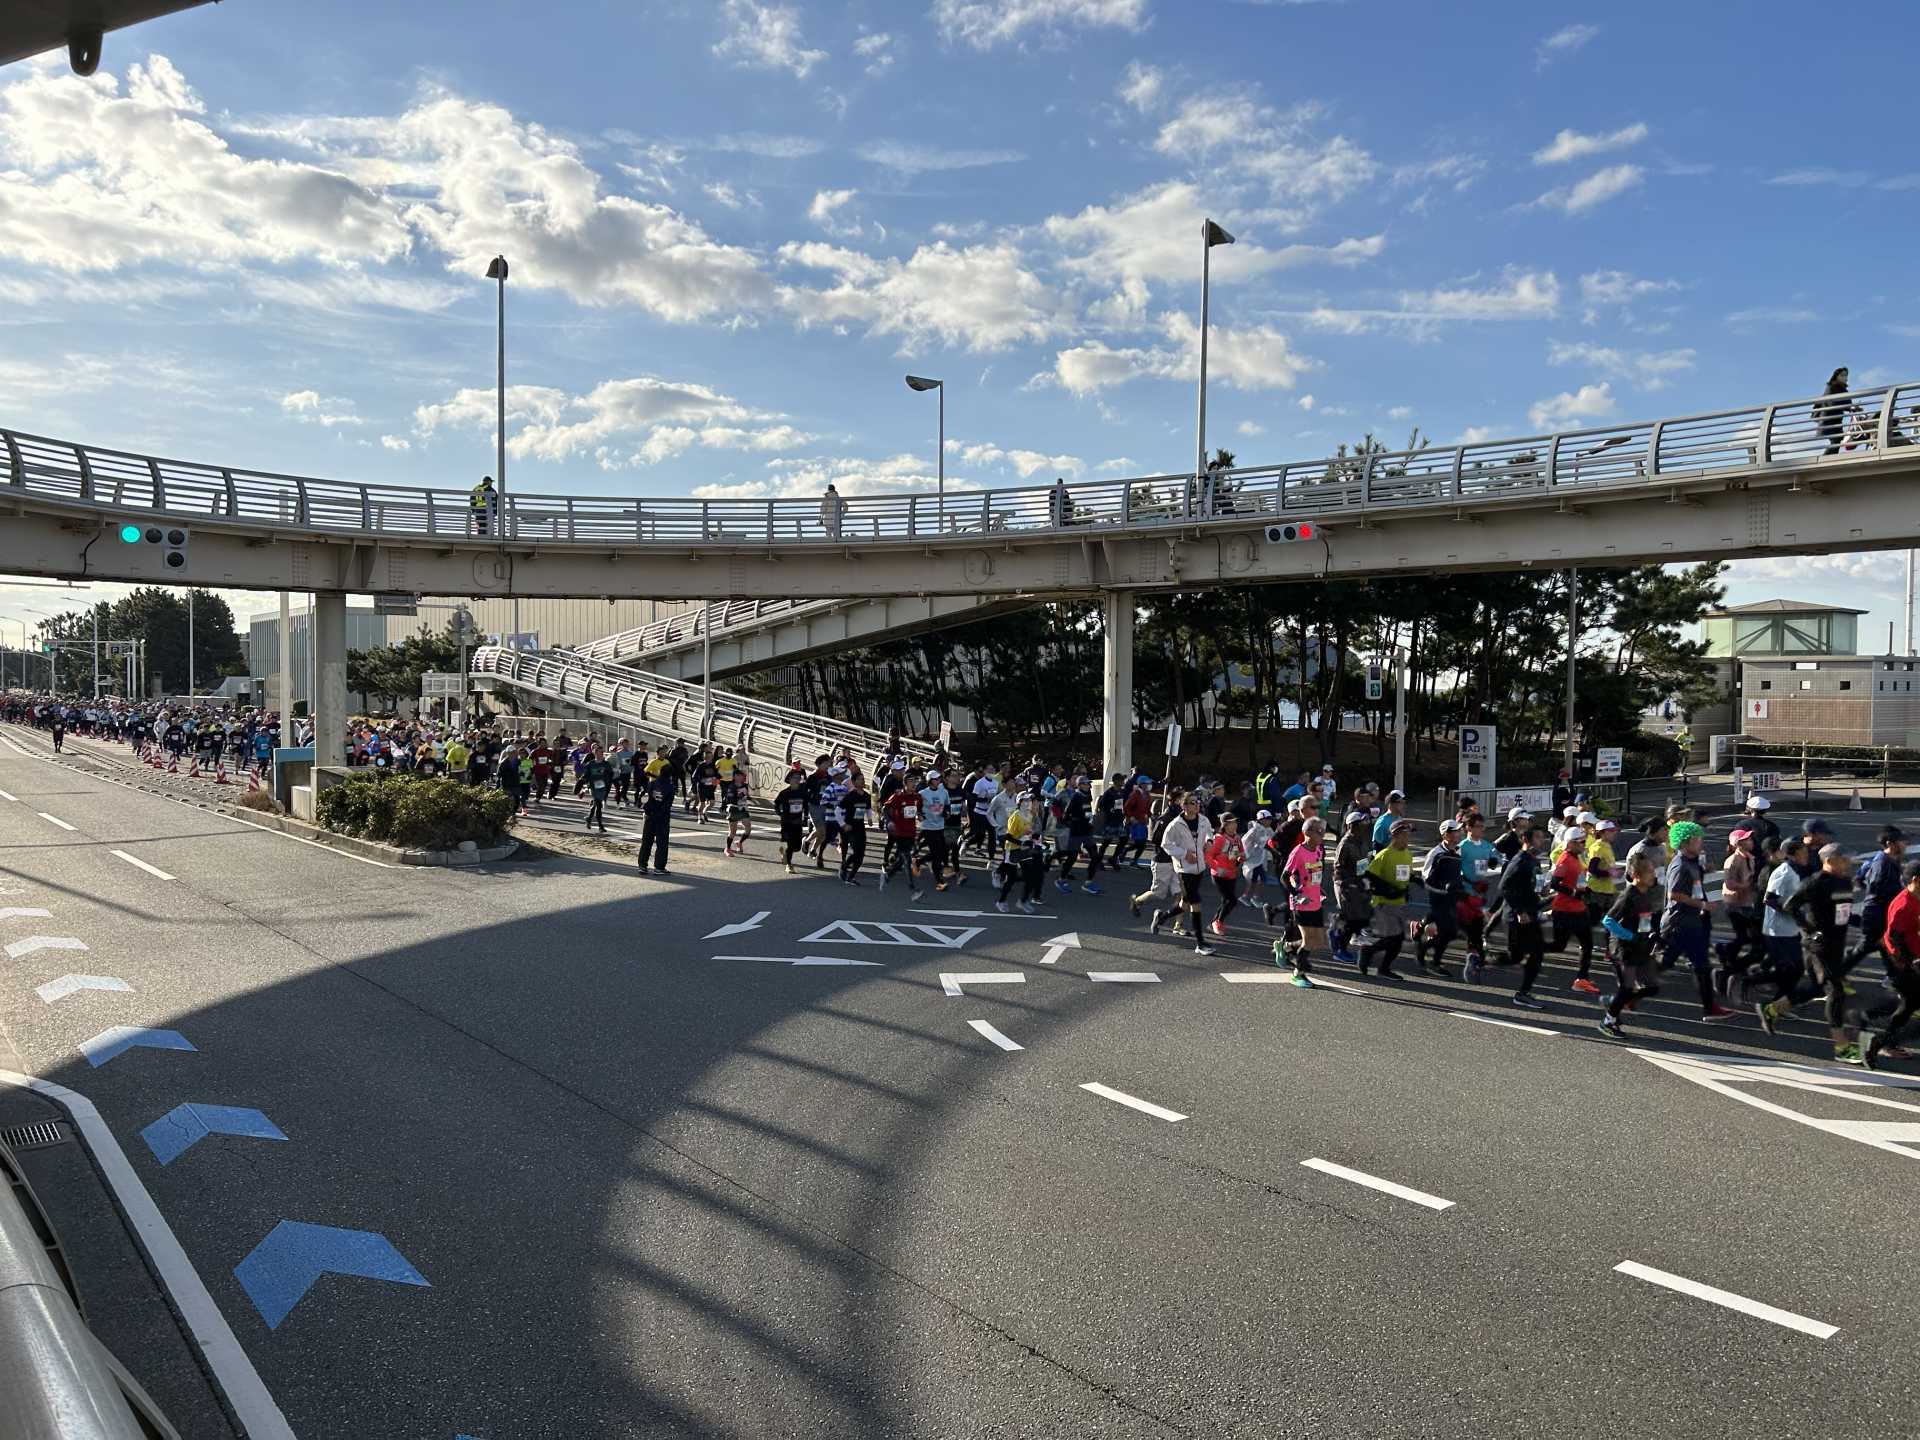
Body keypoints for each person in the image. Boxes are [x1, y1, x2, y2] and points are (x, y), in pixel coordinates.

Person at [1787, 843, 1866, 1064]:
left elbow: (1844, 912)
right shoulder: (1814, 882)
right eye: (1844, 859)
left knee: (1816, 987)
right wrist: (1810, 931)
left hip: (1837, 943)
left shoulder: (1844, 882)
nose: (1848, 862)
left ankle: (1774, 1009)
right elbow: (1790, 906)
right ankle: (1841, 1047)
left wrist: (1863, 924)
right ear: (1829, 860)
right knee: (1837, 991)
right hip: (1818, 945)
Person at [1665, 821, 1739, 1022]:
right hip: (1680, 922)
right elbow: (1674, 894)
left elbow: (1693, 883)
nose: (1700, 842)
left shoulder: (1693, 861)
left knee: (1700, 966)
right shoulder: (1680, 865)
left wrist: (1705, 870)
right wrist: (1702, 905)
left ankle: (1710, 1008)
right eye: (1696, 839)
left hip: (1693, 922)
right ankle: (1631, 991)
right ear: (1684, 843)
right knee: (1667, 963)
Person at [1597, 852, 1663, 1039]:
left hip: (1641, 946)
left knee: (1652, 987)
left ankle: (1613, 1002)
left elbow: (1644, 919)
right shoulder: (1628, 896)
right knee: (1627, 988)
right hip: (1624, 949)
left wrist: (1652, 934)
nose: (1653, 875)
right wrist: (1630, 936)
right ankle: (1607, 1022)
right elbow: (1608, 921)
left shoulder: (1645, 893)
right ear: (1636, 875)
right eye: (1649, 872)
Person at [1867, 860, 1920, 1068]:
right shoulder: (1904, 904)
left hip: (1910, 964)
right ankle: (1880, 1040)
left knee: (1908, 1006)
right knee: (1909, 1006)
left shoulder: (1915, 898)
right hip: (1903, 966)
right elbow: (1894, 938)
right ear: (1915, 880)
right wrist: (1910, 961)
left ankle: (1878, 1038)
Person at [1359, 817, 1417, 978]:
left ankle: (1377, 961)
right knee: (1395, 938)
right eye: (1405, 834)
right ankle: (1371, 955)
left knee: (1396, 939)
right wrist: (1387, 890)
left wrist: (1415, 880)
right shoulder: (1384, 855)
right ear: (1396, 835)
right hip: (1384, 903)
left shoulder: (1407, 854)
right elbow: (1369, 876)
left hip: (1399, 902)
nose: (1408, 838)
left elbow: (1404, 874)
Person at [1160, 792, 1215, 956]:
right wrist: (1184, 854)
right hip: (1184, 869)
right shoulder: (1175, 824)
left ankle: (1162, 916)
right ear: (1183, 806)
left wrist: (1209, 842)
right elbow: (1166, 844)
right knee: (1196, 902)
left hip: (1199, 867)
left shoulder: (1203, 820)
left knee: (1185, 903)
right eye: (1192, 803)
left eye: (1197, 803)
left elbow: (1209, 833)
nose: (1196, 805)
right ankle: (1200, 942)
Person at [1503, 824, 1551, 1009]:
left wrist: (1544, 893)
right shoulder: (1519, 861)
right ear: (1525, 840)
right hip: (1517, 917)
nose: (1541, 841)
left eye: (1542, 838)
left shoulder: (1534, 861)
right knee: (1518, 956)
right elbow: (1504, 888)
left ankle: (1524, 993)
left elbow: (1534, 886)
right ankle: (1482, 958)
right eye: (1538, 837)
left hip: (1531, 914)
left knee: (1535, 954)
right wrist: (1519, 911)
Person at [1278, 816, 1327, 987]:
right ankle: (1298, 974)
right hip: (1302, 903)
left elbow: (1316, 873)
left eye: (1323, 830)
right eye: (1319, 831)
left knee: (1319, 941)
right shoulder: (1298, 852)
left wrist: (1318, 888)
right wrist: (1296, 894)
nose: (1322, 834)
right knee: (1308, 940)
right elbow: (1284, 877)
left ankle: (1286, 947)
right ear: (1307, 833)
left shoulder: (1320, 849)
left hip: (1316, 900)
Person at [1204, 812, 1246, 938]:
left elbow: (1239, 855)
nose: (1234, 825)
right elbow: (1208, 856)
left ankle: (1214, 922)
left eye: (1235, 822)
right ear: (1225, 825)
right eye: (1231, 823)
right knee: (1231, 900)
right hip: (1219, 875)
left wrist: (1241, 858)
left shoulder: (1237, 838)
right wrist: (1218, 868)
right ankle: (1218, 922)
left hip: (1232, 874)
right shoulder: (1219, 839)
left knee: (1226, 901)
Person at [638, 760, 675, 875]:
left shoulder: (653, 783)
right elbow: (667, 805)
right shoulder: (670, 787)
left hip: (650, 814)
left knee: (646, 841)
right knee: (662, 843)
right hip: (662, 817)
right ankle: (659, 867)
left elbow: (649, 798)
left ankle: (642, 865)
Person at [839, 771, 871, 885]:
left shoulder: (867, 796)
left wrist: (870, 818)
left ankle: (850, 876)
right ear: (853, 782)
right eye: (860, 779)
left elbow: (868, 808)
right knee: (857, 852)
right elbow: (838, 810)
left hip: (860, 826)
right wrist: (843, 824)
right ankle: (844, 868)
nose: (862, 781)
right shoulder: (850, 796)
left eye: (863, 779)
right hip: (850, 827)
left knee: (861, 855)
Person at [774, 768, 809, 874]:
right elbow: (776, 804)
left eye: (799, 778)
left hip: (798, 822)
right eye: (795, 778)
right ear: (789, 779)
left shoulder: (803, 793)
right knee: (790, 844)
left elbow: (806, 806)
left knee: (797, 847)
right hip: (787, 822)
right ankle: (789, 865)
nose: (797, 780)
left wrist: (805, 817)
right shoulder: (784, 793)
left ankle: (785, 853)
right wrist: (781, 814)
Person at [1816, 366, 1849, 455]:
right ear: (1836, 376)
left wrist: (1854, 408)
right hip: (1829, 420)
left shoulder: (1843, 389)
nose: (1845, 378)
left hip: (1836, 420)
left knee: (1837, 440)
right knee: (1836, 440)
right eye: (1842, 375)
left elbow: (1848, 404)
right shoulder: (1831, 387)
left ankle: (1828, 459)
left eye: (1846, 376)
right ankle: (1824, 460)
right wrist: (1849, 407)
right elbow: (1832, 403)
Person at [581, 745, 614, 833]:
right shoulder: (591, 764)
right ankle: (600, 826)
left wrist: (608, 782)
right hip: (593, 786)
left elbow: (611, 774)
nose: (602, 754)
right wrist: (583, 785)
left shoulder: (606, 764)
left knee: (596, 804)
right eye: (600, 752)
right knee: (598, 805)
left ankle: (589, 819)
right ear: (595, 753)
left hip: (602, 787)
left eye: (603, 752)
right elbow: (586, 776)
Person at [723, 767, 753, 857]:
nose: (740, 777)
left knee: (748, 828)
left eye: (741, 775)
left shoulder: (745, 785)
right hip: (734, 808)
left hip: (743, 808)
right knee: (733, 831)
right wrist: (739, 795)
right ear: (734, 777)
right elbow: (730, 799)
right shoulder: (731, 786)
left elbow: (746, 795)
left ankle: (739, 842)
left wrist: (748, 797)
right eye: (738, 775)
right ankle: (727, 849)